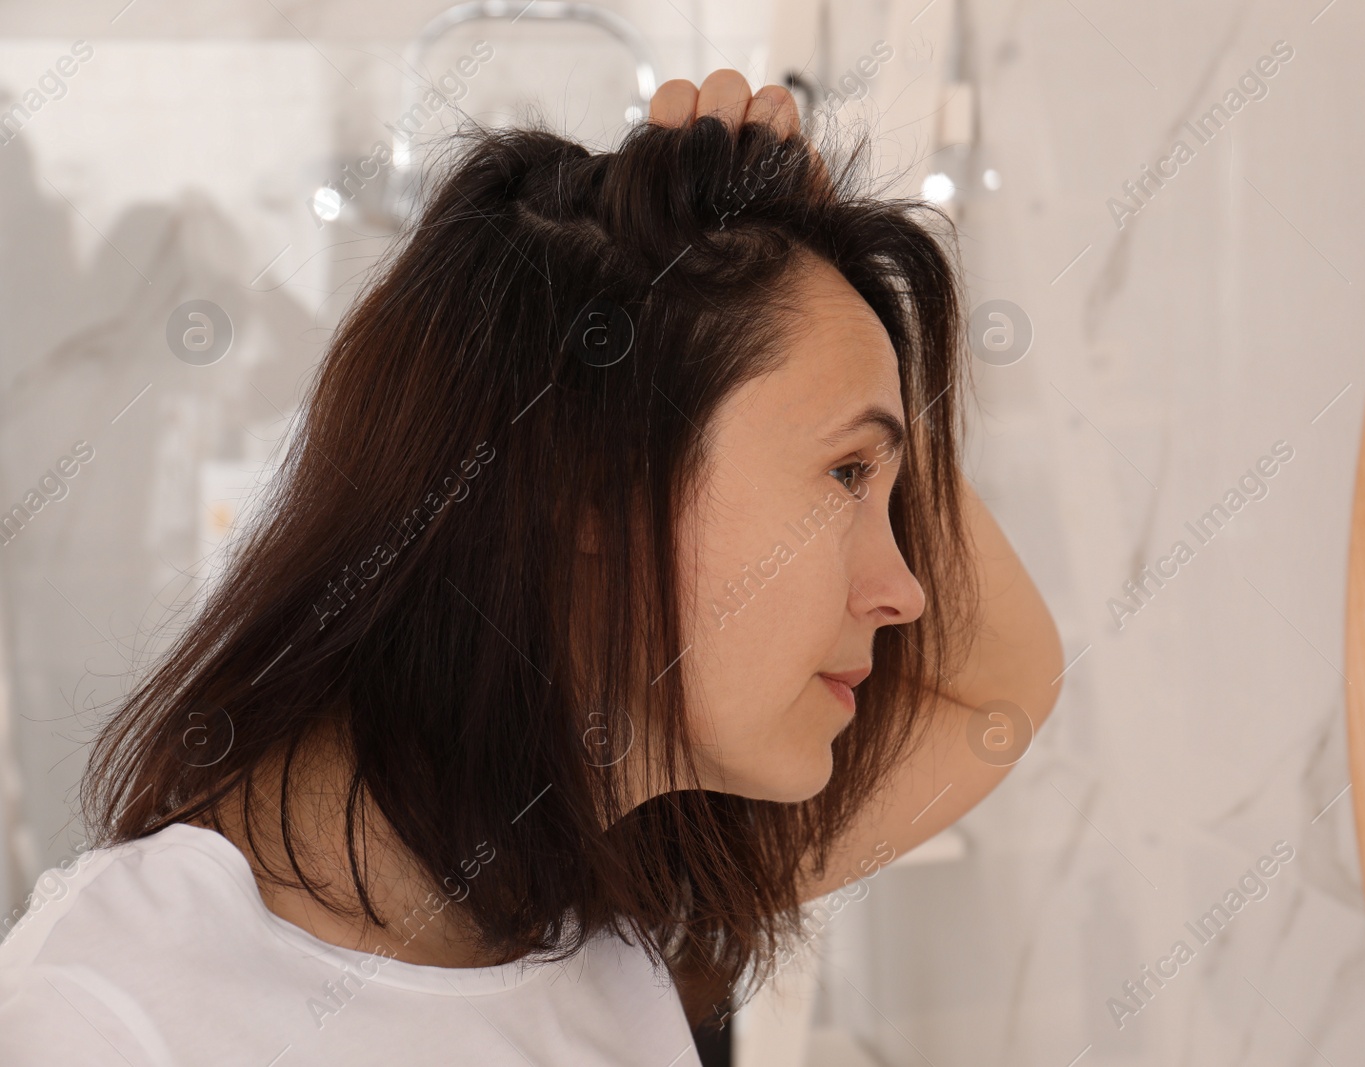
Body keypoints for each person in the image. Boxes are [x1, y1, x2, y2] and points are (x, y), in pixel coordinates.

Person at [0, 70, 1063, 1065]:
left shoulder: (598, 890)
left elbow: (997, 685)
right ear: (594, 482)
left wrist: (823, 302)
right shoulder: (115, 1011)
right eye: (843, 473)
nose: (906, 589)